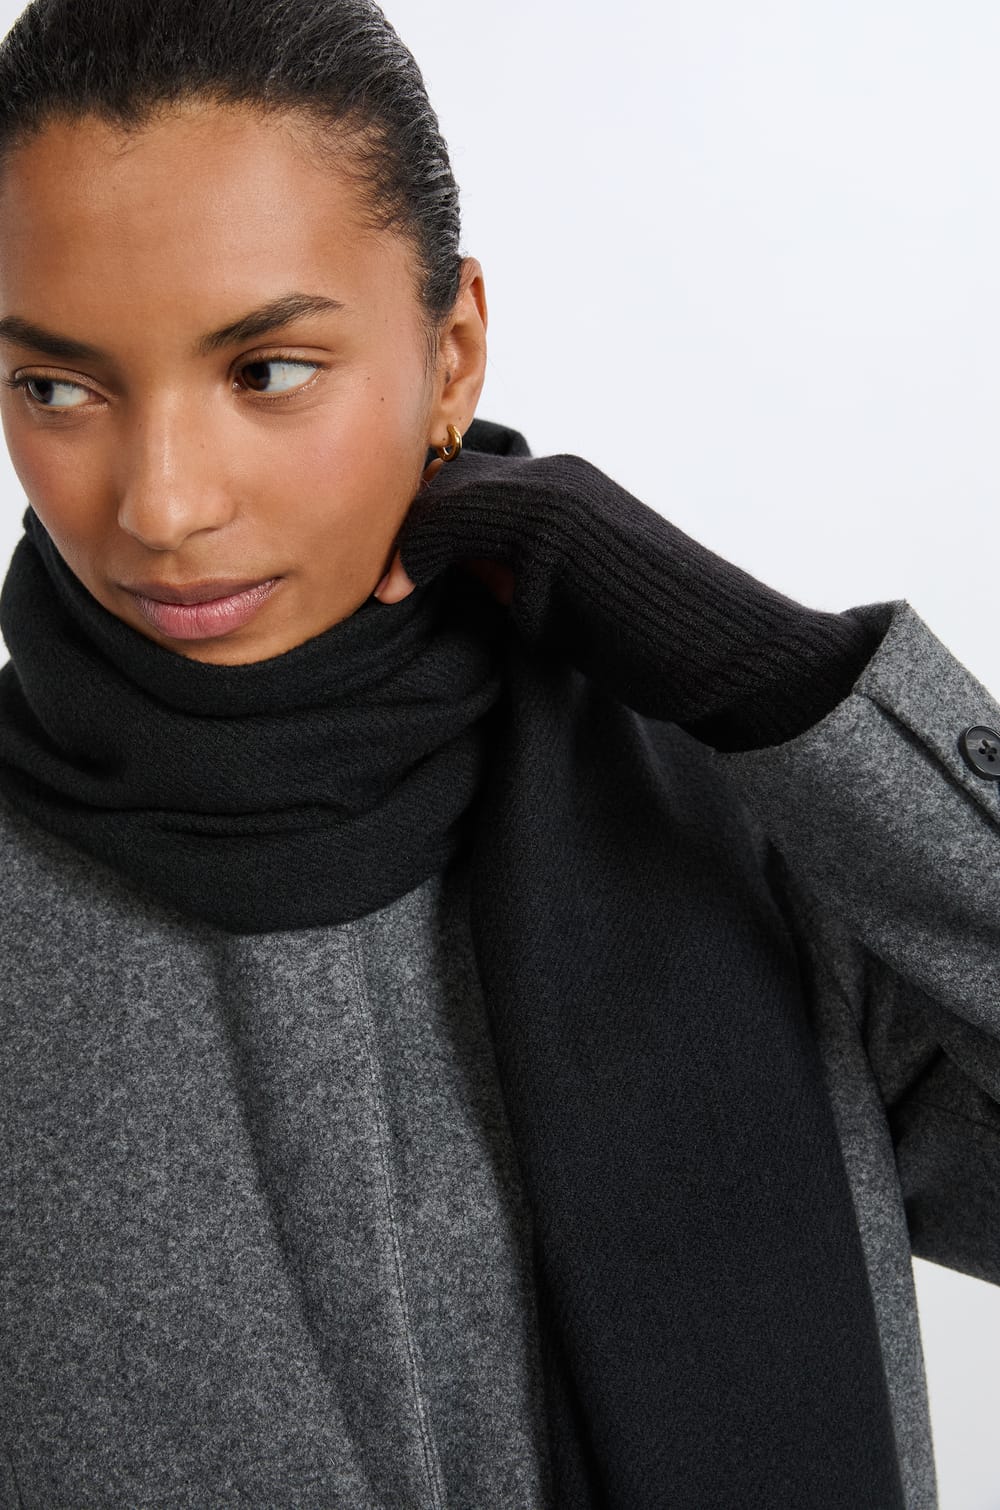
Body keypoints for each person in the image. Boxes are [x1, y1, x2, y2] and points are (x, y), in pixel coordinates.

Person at [0, 0, 995, 1506]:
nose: (162, 504)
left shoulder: (748, 828)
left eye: (267, 370)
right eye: (58, 388)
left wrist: (784, 688)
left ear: (451, 352)